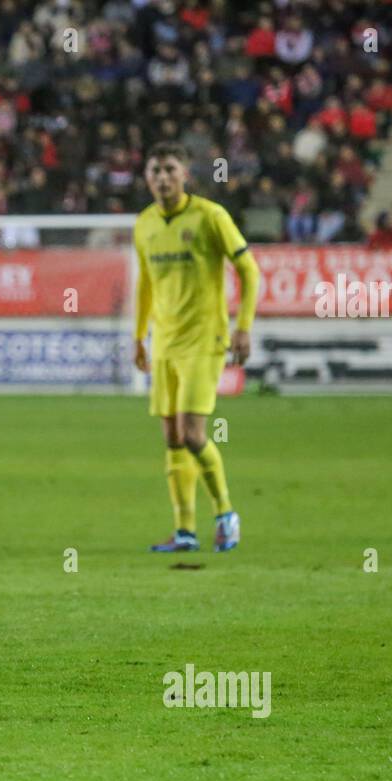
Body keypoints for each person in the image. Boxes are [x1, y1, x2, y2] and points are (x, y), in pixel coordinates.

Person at [132, 142, 260, 553]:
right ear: (147, 178)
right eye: (156, 170)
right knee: (171, 436)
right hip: (165, 342)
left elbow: (248, 268)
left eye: (170, 169)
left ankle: (225, 512)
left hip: (205, 339)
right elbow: (146, 284)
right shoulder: (145, 224)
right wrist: (138, 336)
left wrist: (243, 326)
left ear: (185, 174)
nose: (163, 177)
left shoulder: (210, 216)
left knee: (191, 433)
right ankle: (185, 530)